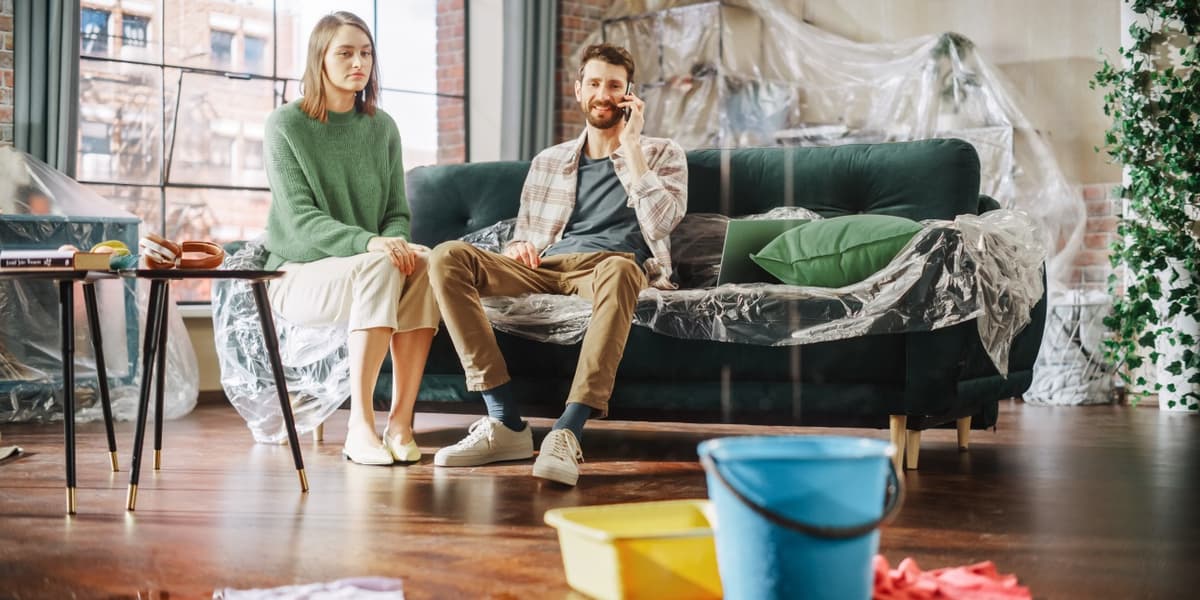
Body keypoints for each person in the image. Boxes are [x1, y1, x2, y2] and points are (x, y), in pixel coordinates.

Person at [428, 43, 688, 486]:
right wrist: (518, 250)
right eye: (594, 83)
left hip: (609, 268)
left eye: (613, 85)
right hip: (546, 268)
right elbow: (526, 235)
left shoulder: (662, 153)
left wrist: (632, 149)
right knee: (446, 257)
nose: (602, 93)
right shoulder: (548, 161)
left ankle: (567, 431)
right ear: (578, 89)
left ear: (630, 94)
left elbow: (663, 222)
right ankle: (505, 421)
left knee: (625, 269)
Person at [262, 11, 439, 466]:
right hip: (295, 274)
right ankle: (360, 428)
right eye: (345, 52)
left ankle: (400, 423)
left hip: (367, 269)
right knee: (382, 262)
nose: (358, 62)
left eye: (365, 53)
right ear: (319, 59)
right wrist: (373, 244)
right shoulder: (285, 124)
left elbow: (396, 214)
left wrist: (396, 242)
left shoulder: (382, 128)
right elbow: (300, 220)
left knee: (427, 263)